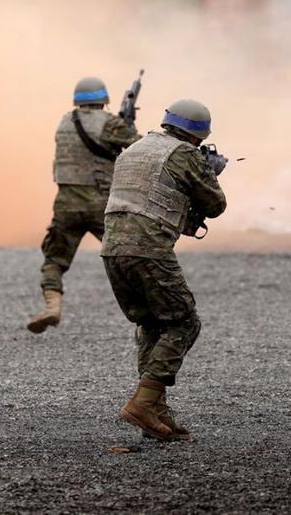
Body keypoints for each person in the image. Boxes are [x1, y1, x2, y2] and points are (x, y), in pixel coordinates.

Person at [100, 99, 227, 441]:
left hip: (112, 249)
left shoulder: (136, 148)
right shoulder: (185, 154)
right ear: (199, 135)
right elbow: (216, 205)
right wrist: (209, 170)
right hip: (148, 248)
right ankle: (143, 403)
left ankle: (155, 414)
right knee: (184, 321)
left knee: (152, 323)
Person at [26, 76, 139, 333]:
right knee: (127, 256)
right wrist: (128, 124)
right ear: (103, 101)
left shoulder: (64, 122)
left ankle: (52, 306)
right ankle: (148, 311)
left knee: (54, 258)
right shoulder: (110, 124)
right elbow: (138, 147)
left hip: (66, 203)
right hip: (102, 203)